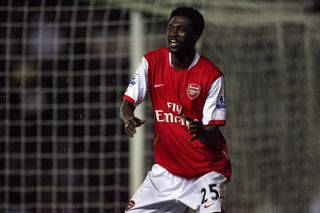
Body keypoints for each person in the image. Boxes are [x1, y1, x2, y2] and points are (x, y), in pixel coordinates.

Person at [119, 6, 232, 213]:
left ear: (196, 35)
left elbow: (212, 136)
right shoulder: (151, 62)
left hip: (206, 173)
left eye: (181, 29)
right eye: (170, 28)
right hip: (166, 173)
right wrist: (128, 117)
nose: (173, 34)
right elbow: (127, 104)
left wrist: (199, 131)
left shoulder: (212, 76)